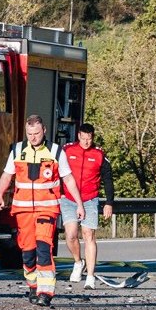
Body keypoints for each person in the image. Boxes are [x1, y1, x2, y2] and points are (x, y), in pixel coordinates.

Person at [0, 114, 64, 306]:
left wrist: (79, 205)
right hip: (23, 210)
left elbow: (69, 178)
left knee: (44, 248)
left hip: (47, 209)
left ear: (44, 131)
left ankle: (46, 292)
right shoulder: (17, 150)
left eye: (37, 133)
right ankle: (33, 285)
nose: (33, 137)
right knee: (28, 252)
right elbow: (7, 175)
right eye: (30, 134)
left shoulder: (56, 151)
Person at [58, 121, 115, 288]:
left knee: (88, 234)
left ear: (93, 137)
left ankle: (90, 276)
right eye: (83, 138)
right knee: (71, 235)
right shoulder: (67, 150)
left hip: (90, 199)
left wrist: (109, 203)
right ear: (78, 136)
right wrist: (58, 193)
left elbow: (108, 180)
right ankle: (78, 262)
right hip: (69, 199)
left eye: (89, 139)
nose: (86, 142)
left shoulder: (99, 154)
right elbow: (57, 172)